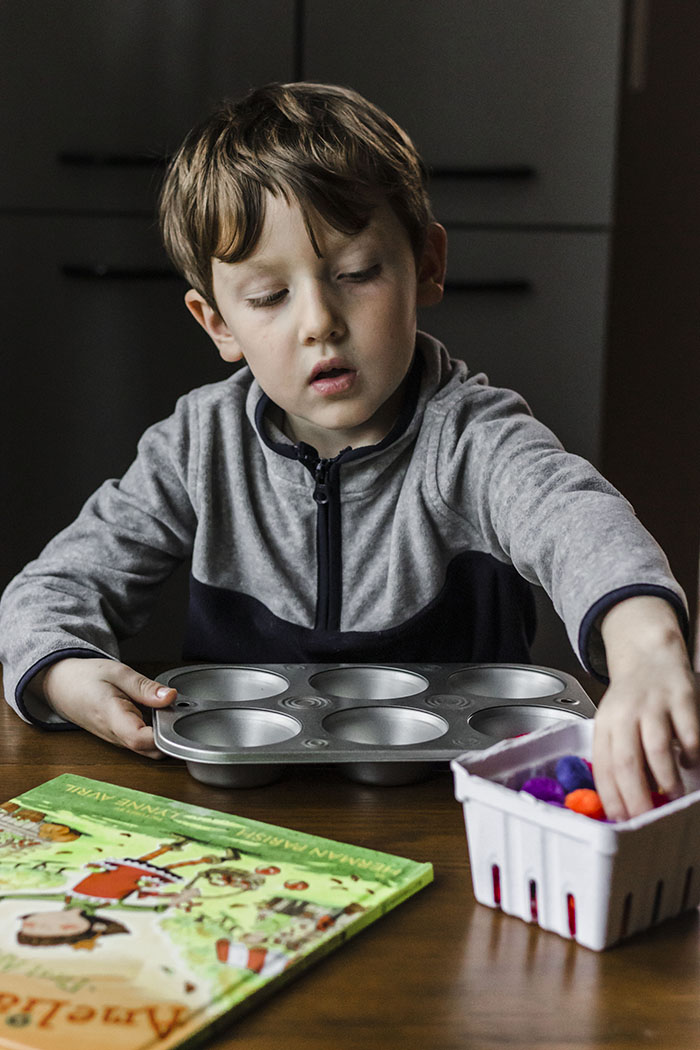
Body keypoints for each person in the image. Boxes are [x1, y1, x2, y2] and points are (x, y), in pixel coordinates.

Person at [0, 83, 697, 822]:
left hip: (451, 824)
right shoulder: (196, 447)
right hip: (238, 825)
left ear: (426, 264)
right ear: (217, 323)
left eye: (356, 274)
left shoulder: (472, 440)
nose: (320, 323)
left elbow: (576, 520)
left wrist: (647, 646)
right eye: (269, 296)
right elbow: (51, 590)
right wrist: (60, 671)